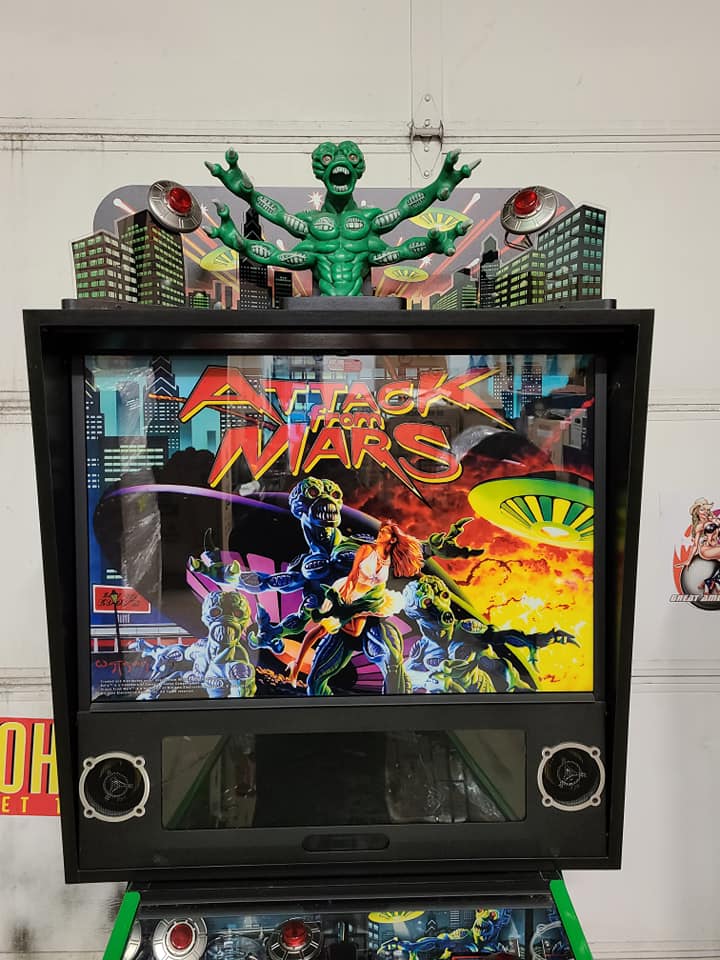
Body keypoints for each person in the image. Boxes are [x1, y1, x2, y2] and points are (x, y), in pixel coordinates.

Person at [287, 520, 423, 686]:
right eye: (380, 531)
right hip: (348, 590)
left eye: (384, 532)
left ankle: (335, 624)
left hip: (366, 600)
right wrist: (343, 601)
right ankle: (296, 665)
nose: (380, 534)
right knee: (322, 629)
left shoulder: (389, 559)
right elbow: (353, 574)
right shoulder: (366, 549)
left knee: (355, 631)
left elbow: (389, 578)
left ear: (393, 539)